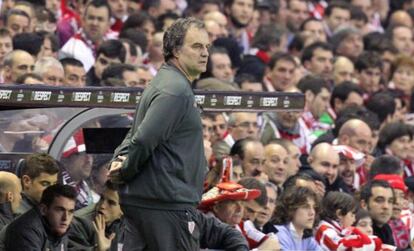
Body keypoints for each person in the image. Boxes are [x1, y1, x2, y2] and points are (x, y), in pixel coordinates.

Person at [110, 17, 237, 250]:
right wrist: (125, 170)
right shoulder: (176, 90)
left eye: (206, 47)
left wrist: (120, 159)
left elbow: (135, 134)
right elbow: (144, 138)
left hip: (151, 202)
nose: (205, 53)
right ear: (176, 51)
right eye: (197, 46)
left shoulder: (164, 81)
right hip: (165, 205)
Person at [4, 184, 77, 251]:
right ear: (43, 209)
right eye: (60, 210)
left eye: (70, 211)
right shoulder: (26, 230)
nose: (65, 218)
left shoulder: (59, 228)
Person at [315, 191, 382, 250]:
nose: (354, 219)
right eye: (352, 214)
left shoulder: (339, 231)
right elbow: (343, 247)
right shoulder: (325, 230)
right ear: (339, 214)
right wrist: (372, 241)